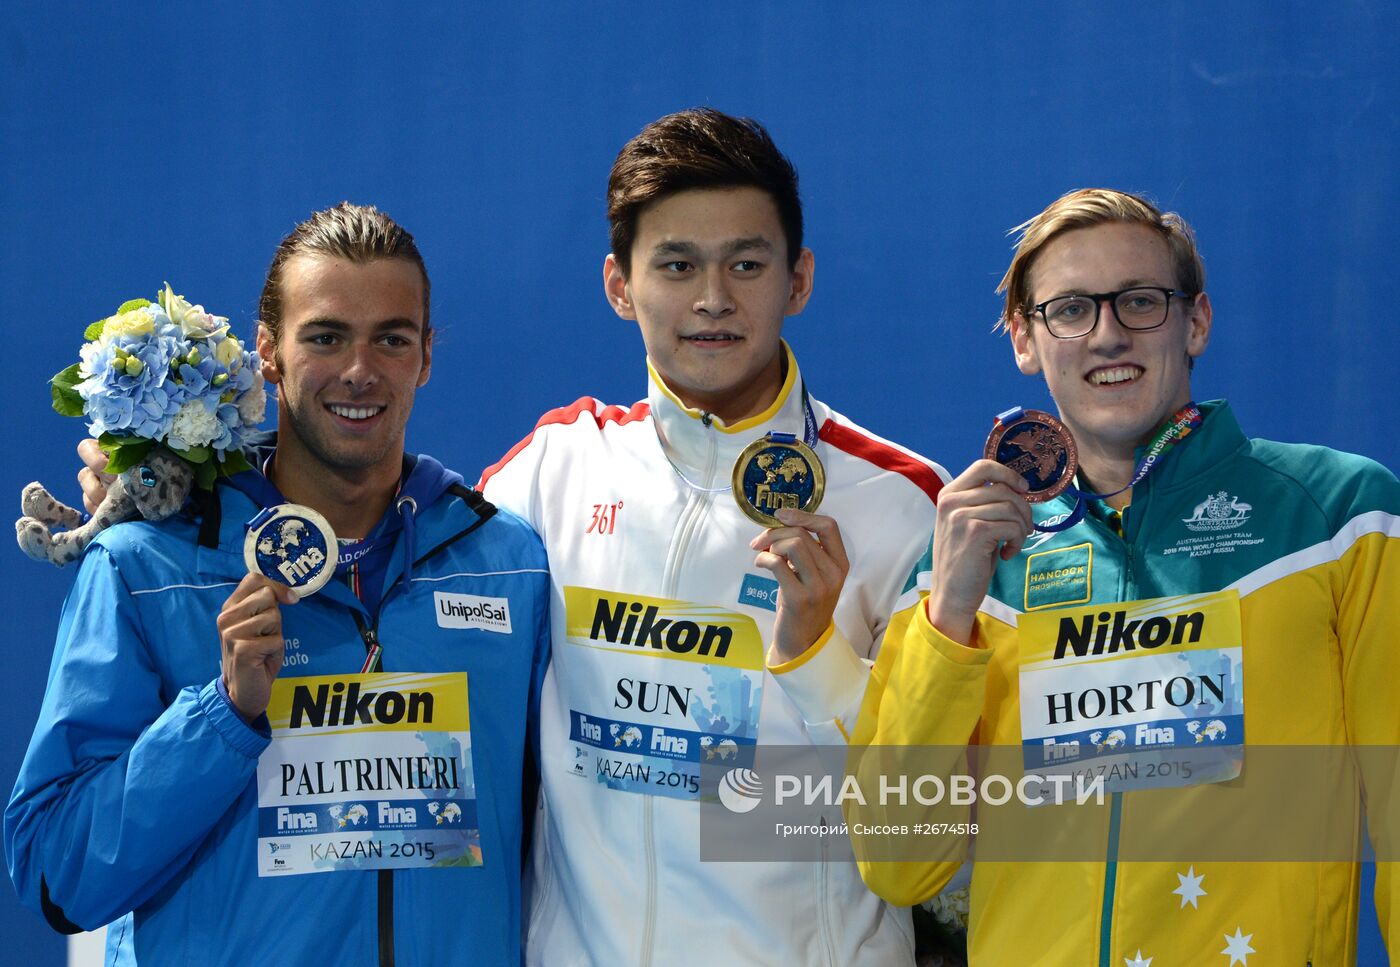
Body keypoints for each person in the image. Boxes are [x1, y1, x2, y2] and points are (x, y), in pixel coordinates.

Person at [850, 189, 1399, 964]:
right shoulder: (965, 568)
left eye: (1139, 302)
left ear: (1195, 320)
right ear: (1024, 339)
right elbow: (898, 860)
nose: (1107, 335)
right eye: (1070, 309)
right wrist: (949, 617)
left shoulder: (1342, 519)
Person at [6, 203, 551, 966]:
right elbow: (53, 873)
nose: (360, 370)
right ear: (267, 351)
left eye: (391, 339)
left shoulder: (507, 562)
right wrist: (222, 716)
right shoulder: (147, 568)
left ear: (426, 355)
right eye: (325, 336)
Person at [476, 109, 948, 964]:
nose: (713, 298)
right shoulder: (548, 475)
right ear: (620, 285)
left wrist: (821, 666)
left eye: (747, 262)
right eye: (677, 264)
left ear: (798, 279)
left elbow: (929, 819)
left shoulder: (902, 502)